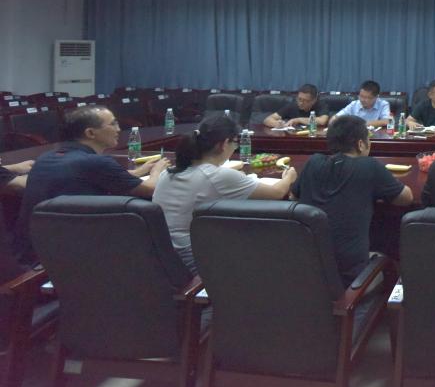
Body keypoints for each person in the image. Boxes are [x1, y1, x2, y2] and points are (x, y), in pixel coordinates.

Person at [13, 106, 170, 262]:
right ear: (90, 133)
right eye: (113, 124)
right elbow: (150, 189)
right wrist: (158, 170)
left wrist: (139, 171)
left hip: (35, 246)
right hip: (71, 250)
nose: (118, 129)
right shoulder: (96, 162)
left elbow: (93, 176)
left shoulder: (46, 157)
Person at [153, 113, 295, 274]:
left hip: (161, 257)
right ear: (224, 144)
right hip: (194, 259)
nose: (235, 148)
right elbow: (277, 192)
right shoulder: (217, 176)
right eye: (235, 143)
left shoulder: (168, 173)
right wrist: (289, 177)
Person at [291, 116, 413, 284]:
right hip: (351, 281)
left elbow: (293, 196)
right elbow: (406, 198)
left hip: (308, 273)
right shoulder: (369, 166)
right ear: (361, 144)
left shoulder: (313, 162)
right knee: (392, 257)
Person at [263, 84, 329, 128]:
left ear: (314, 100)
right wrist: (276, 124)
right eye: (299, 99)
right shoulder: (293, 105)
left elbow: (323, 121)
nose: (301, 103)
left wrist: (298, 120)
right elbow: (267, 120)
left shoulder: (320, 104)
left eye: (305, 100)